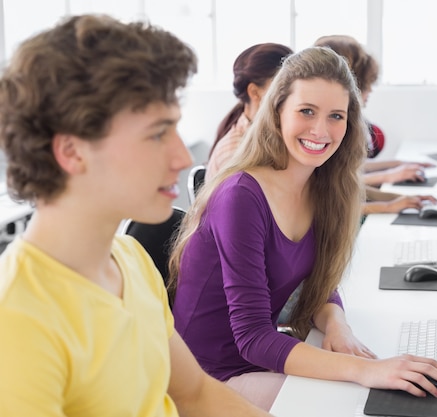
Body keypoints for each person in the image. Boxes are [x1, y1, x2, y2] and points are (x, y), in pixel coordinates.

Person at [0, 14, 270, 417]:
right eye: (157, 133)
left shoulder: (131, 259)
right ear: (72, 151)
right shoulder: (18, 319)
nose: (181, 157)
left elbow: (195, 393)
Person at [168, 46, 437, 411]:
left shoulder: (322, 187)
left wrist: (338, 325)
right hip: (206, 378)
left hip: (255, 362)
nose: (321, 130)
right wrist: (366, 371)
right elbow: (254, 338)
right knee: (360, 399)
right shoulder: (241, 195)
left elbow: (321, 283)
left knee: (380, 393)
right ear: (277, 112)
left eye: (336, 116)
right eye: (306, 111)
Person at [313, 35, 437, 214]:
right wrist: (389, 189)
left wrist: (397, 169)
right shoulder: (325, 131)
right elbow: (329, 190)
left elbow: (347, 174)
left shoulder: (347, 122)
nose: (370, 90)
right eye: (367, 83)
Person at [206, 43, 293, 179]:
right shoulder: (235, 152)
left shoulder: (273, 135)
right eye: (282, 87)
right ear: (254, 92)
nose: (293, 94)